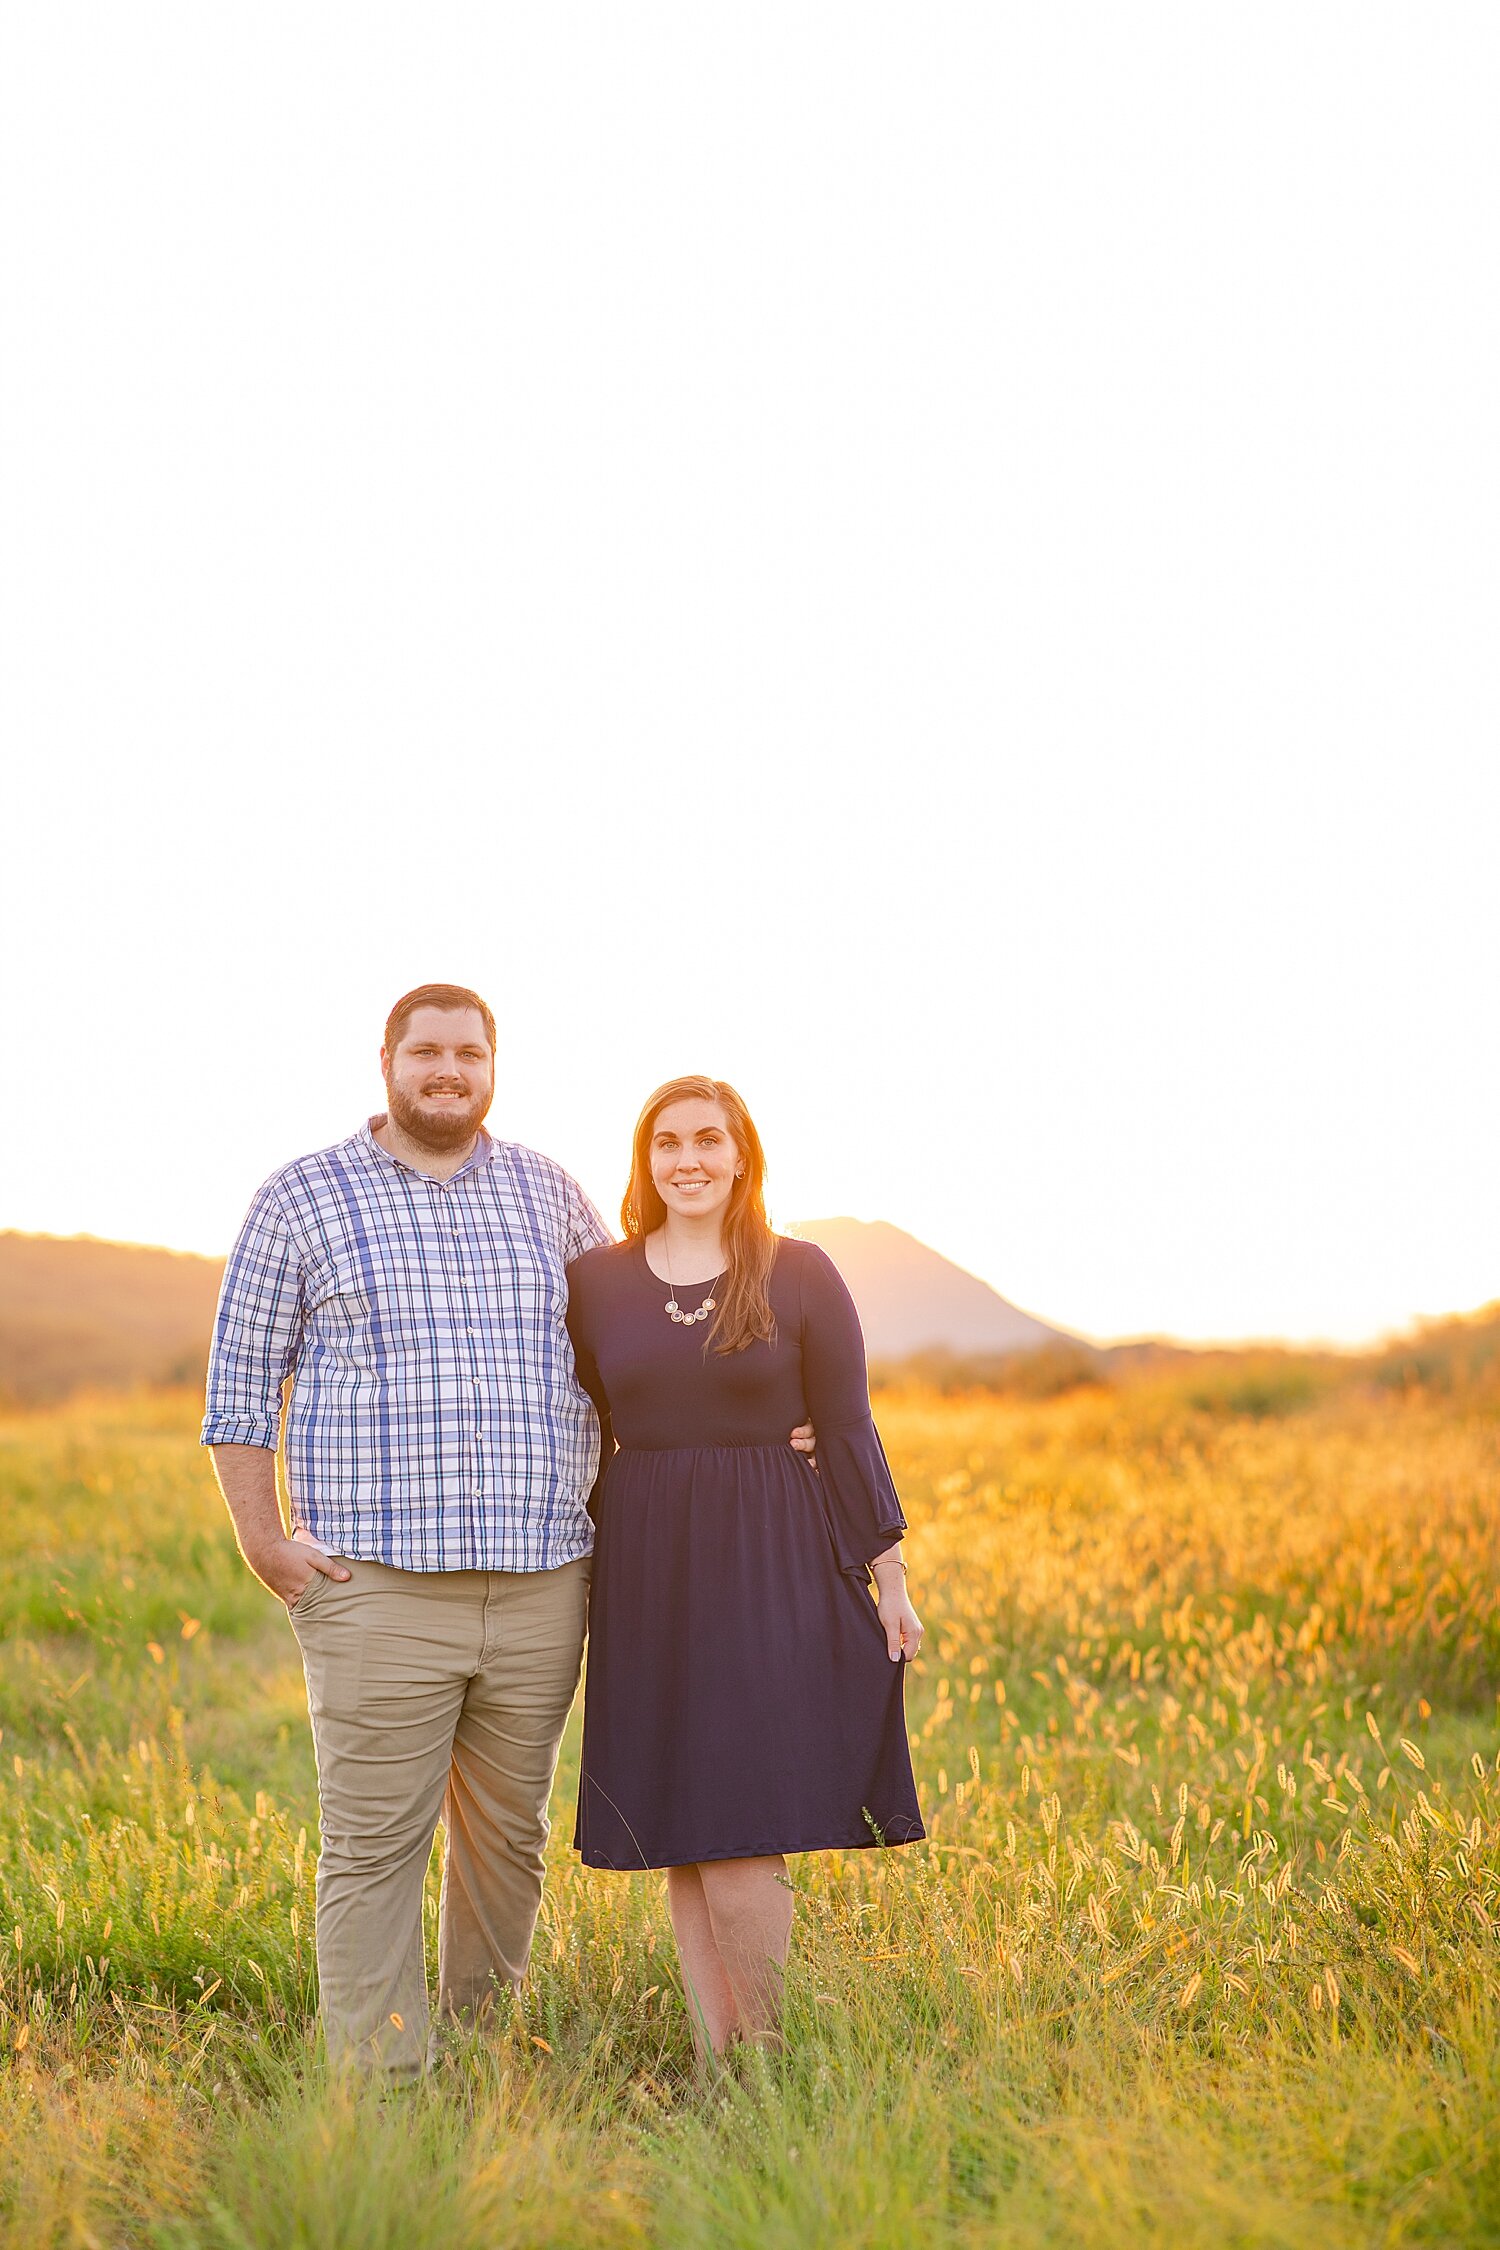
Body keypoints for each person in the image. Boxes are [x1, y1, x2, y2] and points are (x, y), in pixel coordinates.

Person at [201, 986, 812, 2083]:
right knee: (373, 1851)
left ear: (494, 1065)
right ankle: (383, 2095)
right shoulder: (300, 1197)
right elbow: (239, 1390)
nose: (448, 1069)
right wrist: (265, 1541)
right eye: (426, 1051)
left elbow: (643, 1337)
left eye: (468, 1052)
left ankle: (483, 2061)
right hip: (375, 1583)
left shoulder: (550, 1195)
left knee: (505, 1849)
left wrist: (772, 1421)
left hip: (543, 1585)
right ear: (386, 1059)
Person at [565, 1075, 925, 2066]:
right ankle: (718, 2054)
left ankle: (764, 2064)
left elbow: (847, 1427)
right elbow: (584, 1420)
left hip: (772, 1556)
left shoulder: (801, 1271)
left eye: (708, 1140)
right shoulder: (596, 1281)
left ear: (741, 1154)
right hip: (646, 1562)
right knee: (683, 1825)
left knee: (739, 1814)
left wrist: (888, 1578)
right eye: (668, 1142)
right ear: (645, 1160)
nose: (688, 1160)